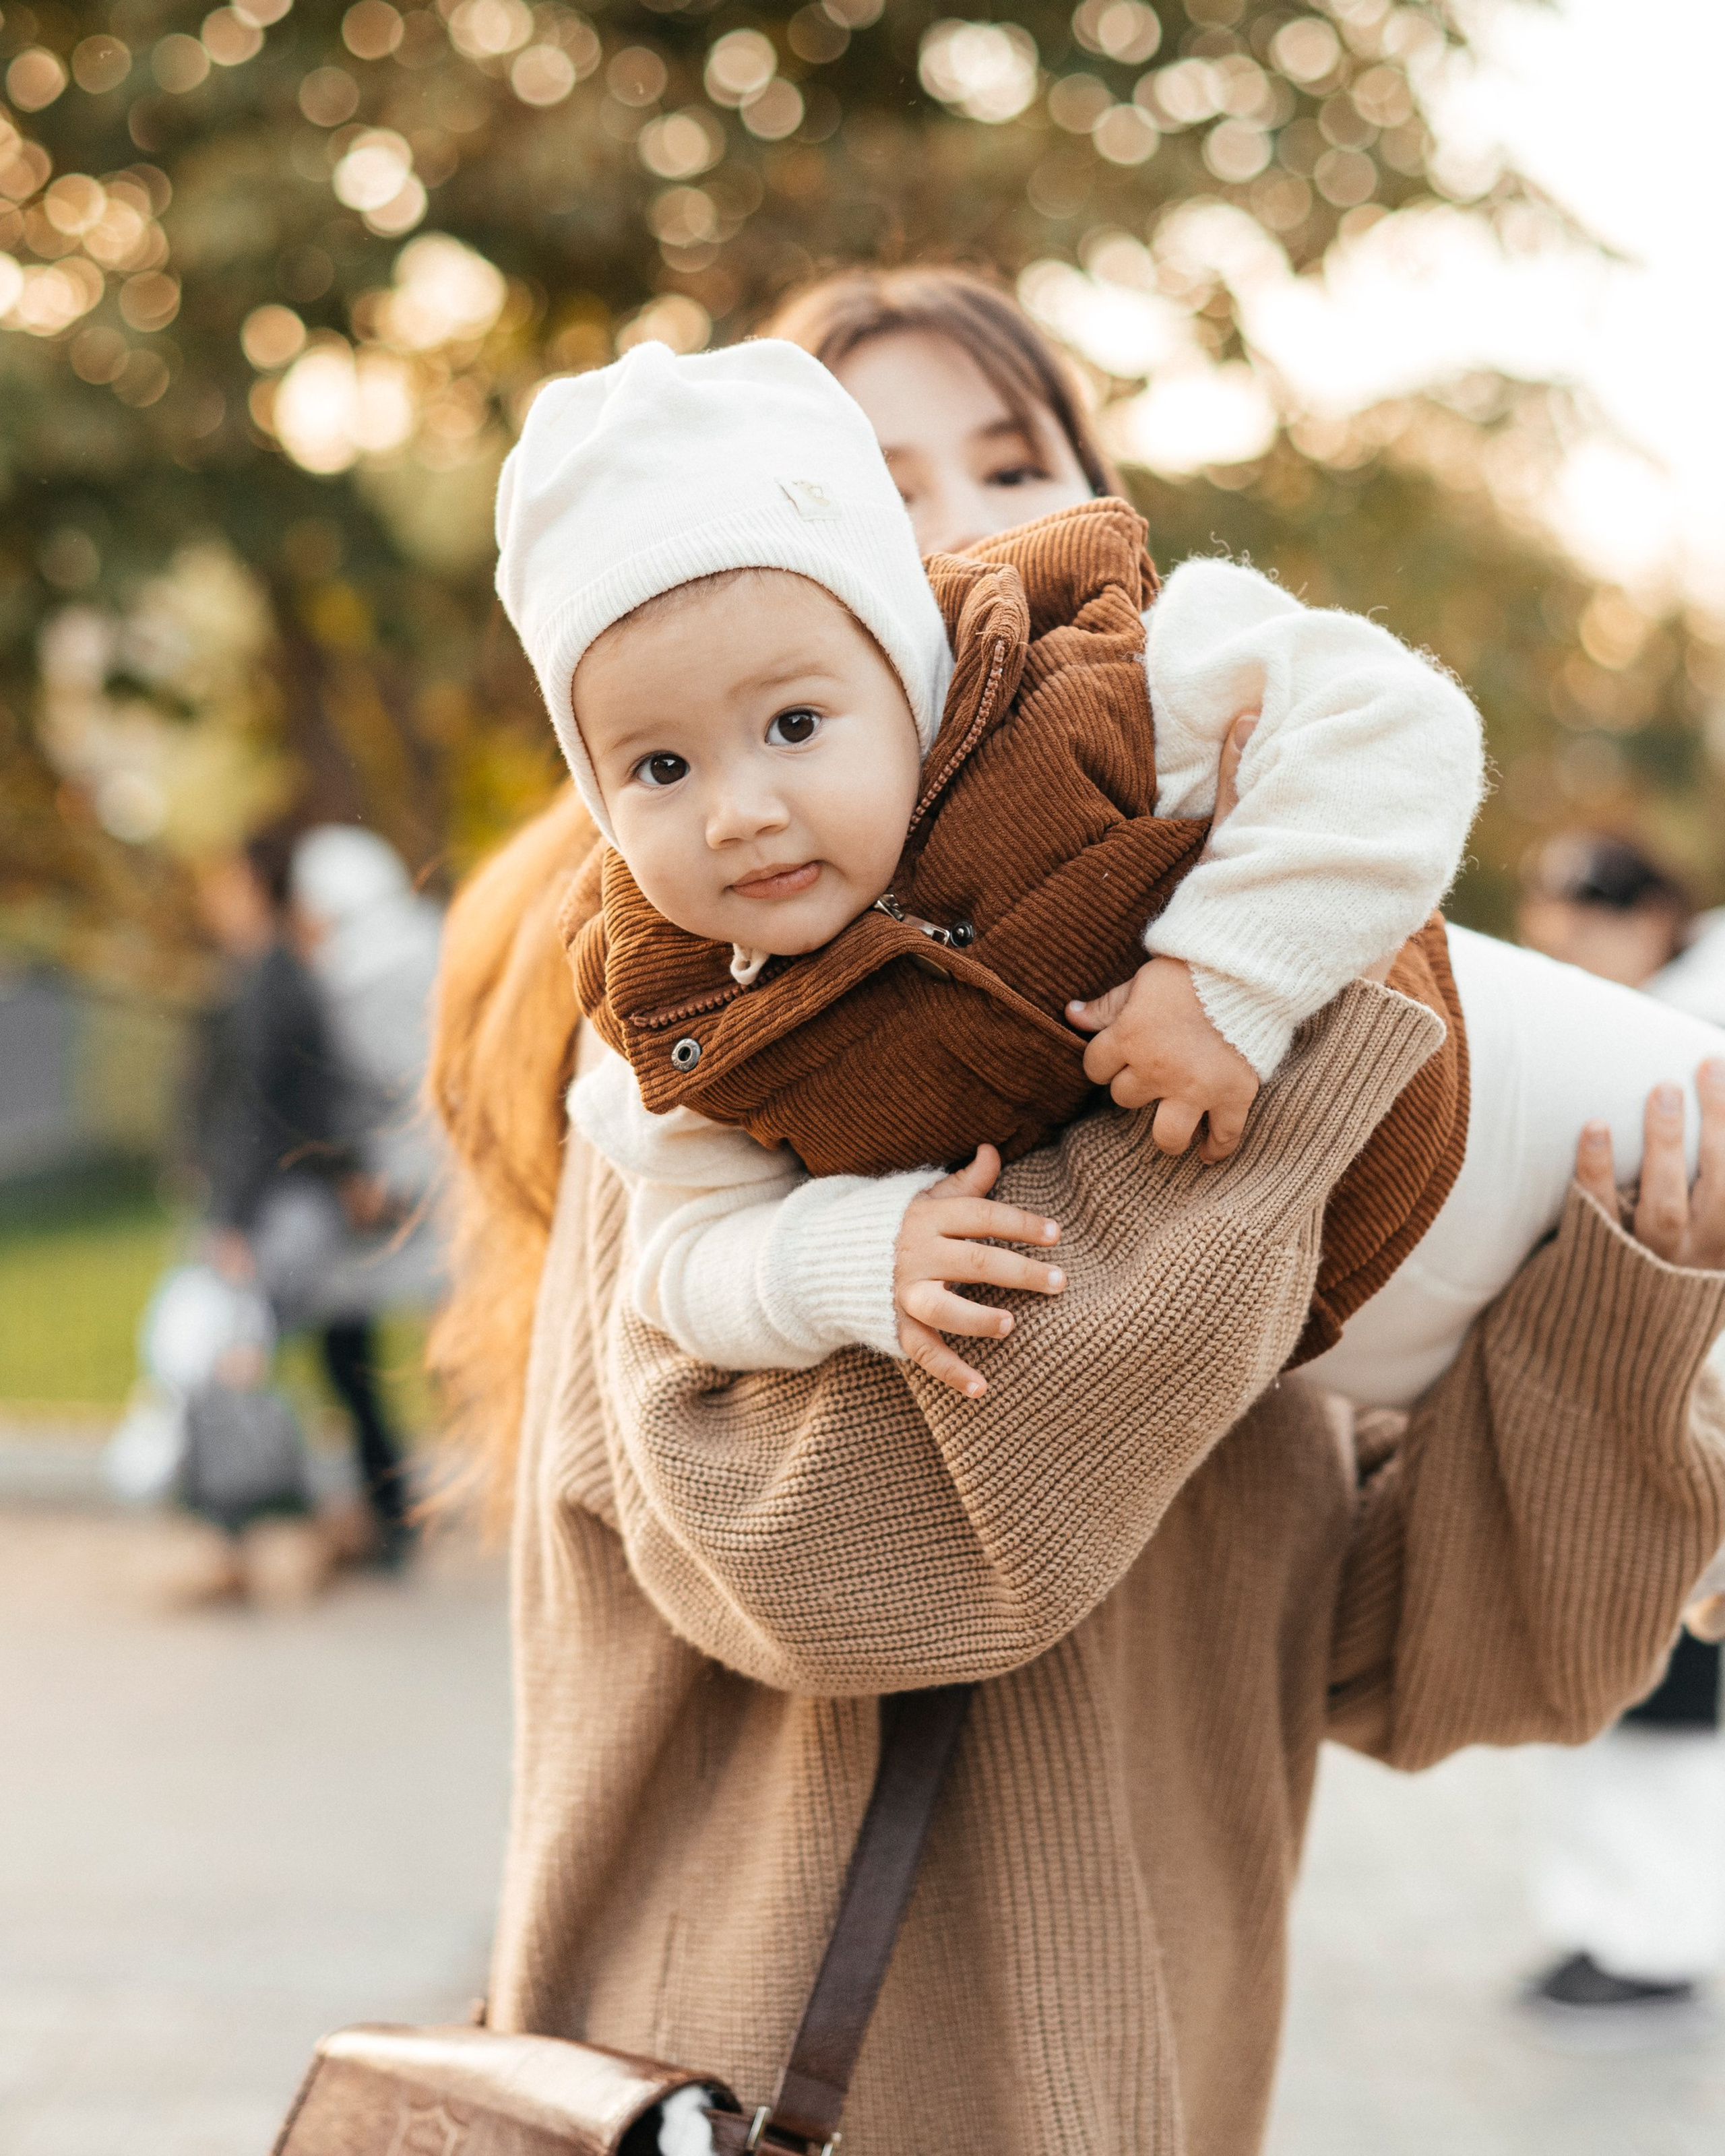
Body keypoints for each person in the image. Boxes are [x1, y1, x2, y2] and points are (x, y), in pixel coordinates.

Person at [422, 271, 1725, 2153]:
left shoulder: (1199, 1036)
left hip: (1156, 2092)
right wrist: (1296, 1071)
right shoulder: (711, 1057)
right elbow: (856, 1569)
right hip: (773, 2092)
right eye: (889, 484)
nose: (971, 529)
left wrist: (1615, 1306)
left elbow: (1415, 1670)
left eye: (1016, 465)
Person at [1515, 831, 1725, 2039]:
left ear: (1650, 914)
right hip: (1642, 1390)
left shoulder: (1688, 1034)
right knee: (1615, 1676)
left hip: (1695, 1398)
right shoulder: (1647, 1020)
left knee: (1669, 1683)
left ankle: (1654, 1938)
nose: (1573, 952)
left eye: (1588, 926)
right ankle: (1612, 1926)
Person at [191, 827, 416, 1566]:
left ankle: (247, 1528)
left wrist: (231, 1220)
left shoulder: (275, 978)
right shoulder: (291, 973)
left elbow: (262, 1108)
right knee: (340, 1353)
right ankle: (380, 1514)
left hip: (285, 1204)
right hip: (313, 1194)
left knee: (240, 1353)